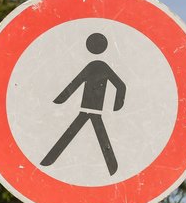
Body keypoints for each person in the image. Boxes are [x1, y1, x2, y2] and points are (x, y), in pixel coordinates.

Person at [40, 33, 127, 174]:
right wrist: (61, 99)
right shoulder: (97, 66)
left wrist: (118, 104)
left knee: (77, 133)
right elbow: (76, 83)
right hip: (89, 108)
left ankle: (113, 168)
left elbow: (119, 85)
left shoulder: (98, 66)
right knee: (79, 133)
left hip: (92, 109)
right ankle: (113, 168)